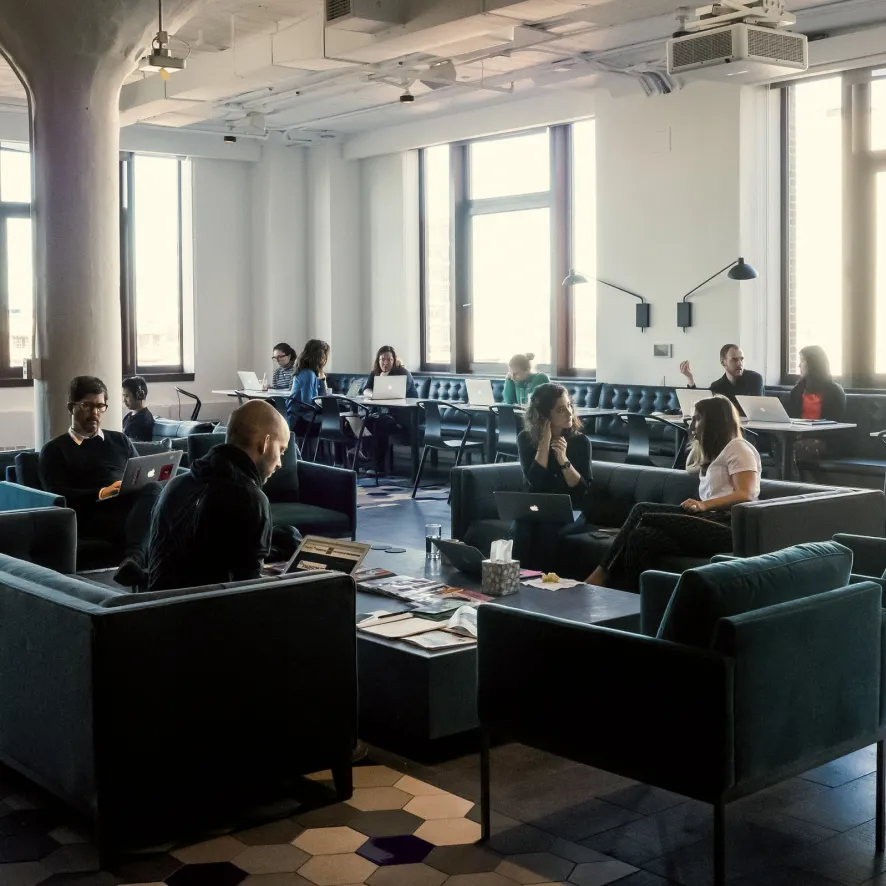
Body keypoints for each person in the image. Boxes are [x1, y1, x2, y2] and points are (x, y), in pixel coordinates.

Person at [586, 395, 761, 593]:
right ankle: (633, 600)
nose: (692, 424)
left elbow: (746, 494)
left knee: (642, 510)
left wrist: (705, 505)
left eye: (697, 418)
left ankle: (602, 572)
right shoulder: (715, 451)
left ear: (714, 421)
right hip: (707, 520)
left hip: (728, 526)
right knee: (641, 538)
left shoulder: (738, 448)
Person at [147, 399, 292, 591]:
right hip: (207, 615)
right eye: (281, 450)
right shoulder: (250, 499)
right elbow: (249, 592)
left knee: (288, 536)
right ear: (264, 443)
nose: (280, 463)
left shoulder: (176, 484)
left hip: (155, 611)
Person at [40, 376, 161, 586]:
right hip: (92, 514)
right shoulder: (55, 450)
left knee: (153, 488)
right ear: (71, 407)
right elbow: (57, 494)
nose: (94, 413)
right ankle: (135, 559)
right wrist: (103, 492)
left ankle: (135, 562)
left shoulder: (120, 440)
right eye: (87, 406)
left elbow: (142, 471)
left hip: (130, 505)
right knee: (148, 520)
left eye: (100, 406)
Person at [511, 383, 592, 571]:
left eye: (569, 406)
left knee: (546, 530)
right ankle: (513, 579)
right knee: (521, 528)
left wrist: (563, 459)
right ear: (544, 416)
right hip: (535, 508)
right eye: (561, 410)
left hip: (573, 511)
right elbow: (535, 483)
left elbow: (581, 489)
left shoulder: (580, 441)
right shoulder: (526, 439)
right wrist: (545, 443)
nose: (569, 413)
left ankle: (541, 585)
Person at [785, 344, 846, 467]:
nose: (799, 365)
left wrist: (806, 434)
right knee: (777, 446)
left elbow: (834, 425)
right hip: (799, 437)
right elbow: (788, 417)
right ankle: (790, 484)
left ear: (813, 364)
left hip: (825, 441)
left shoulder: (834, 391)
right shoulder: (798, 390)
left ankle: (793, 485)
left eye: (802, 361)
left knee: (792, 450)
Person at [362, 345, 417, 473]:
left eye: (389, 359)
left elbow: (397, 394)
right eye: (382, 359)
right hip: (386, 415)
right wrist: (373, 395)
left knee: (379, 424)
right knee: (367, 420)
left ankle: (379, 467)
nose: (385, 362)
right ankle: (368, 459)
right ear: (378, 360)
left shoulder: (403, 373)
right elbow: (366, 389)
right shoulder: (375, 372)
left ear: (394, 360)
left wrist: (383, 380)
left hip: (404, 418)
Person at [679, 344, 764, 412]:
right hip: (728, 429)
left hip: (754, 429)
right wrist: (690, 378)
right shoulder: (717, 386)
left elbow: (754, 410)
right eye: (734, 360)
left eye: (741, 359)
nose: (740, 363)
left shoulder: (755, 379)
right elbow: (700, 406)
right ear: (723, 362)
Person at [286, 339, 330, 435]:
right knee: (338, 422)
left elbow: (323, 395)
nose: (326, 359)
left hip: (303, 417)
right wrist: (322, 406)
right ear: (320, 356)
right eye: (325, 355)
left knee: (337, 420)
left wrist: (322, 378)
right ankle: (352, 449)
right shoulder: (308, 374)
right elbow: (307, 404)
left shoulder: (310, 372)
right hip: (299, 420)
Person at [122, 376, 154, 442]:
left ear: (140, 395)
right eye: (124, 396)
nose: (124, 400)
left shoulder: (143, 420)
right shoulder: (129, 416)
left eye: (127, 396)